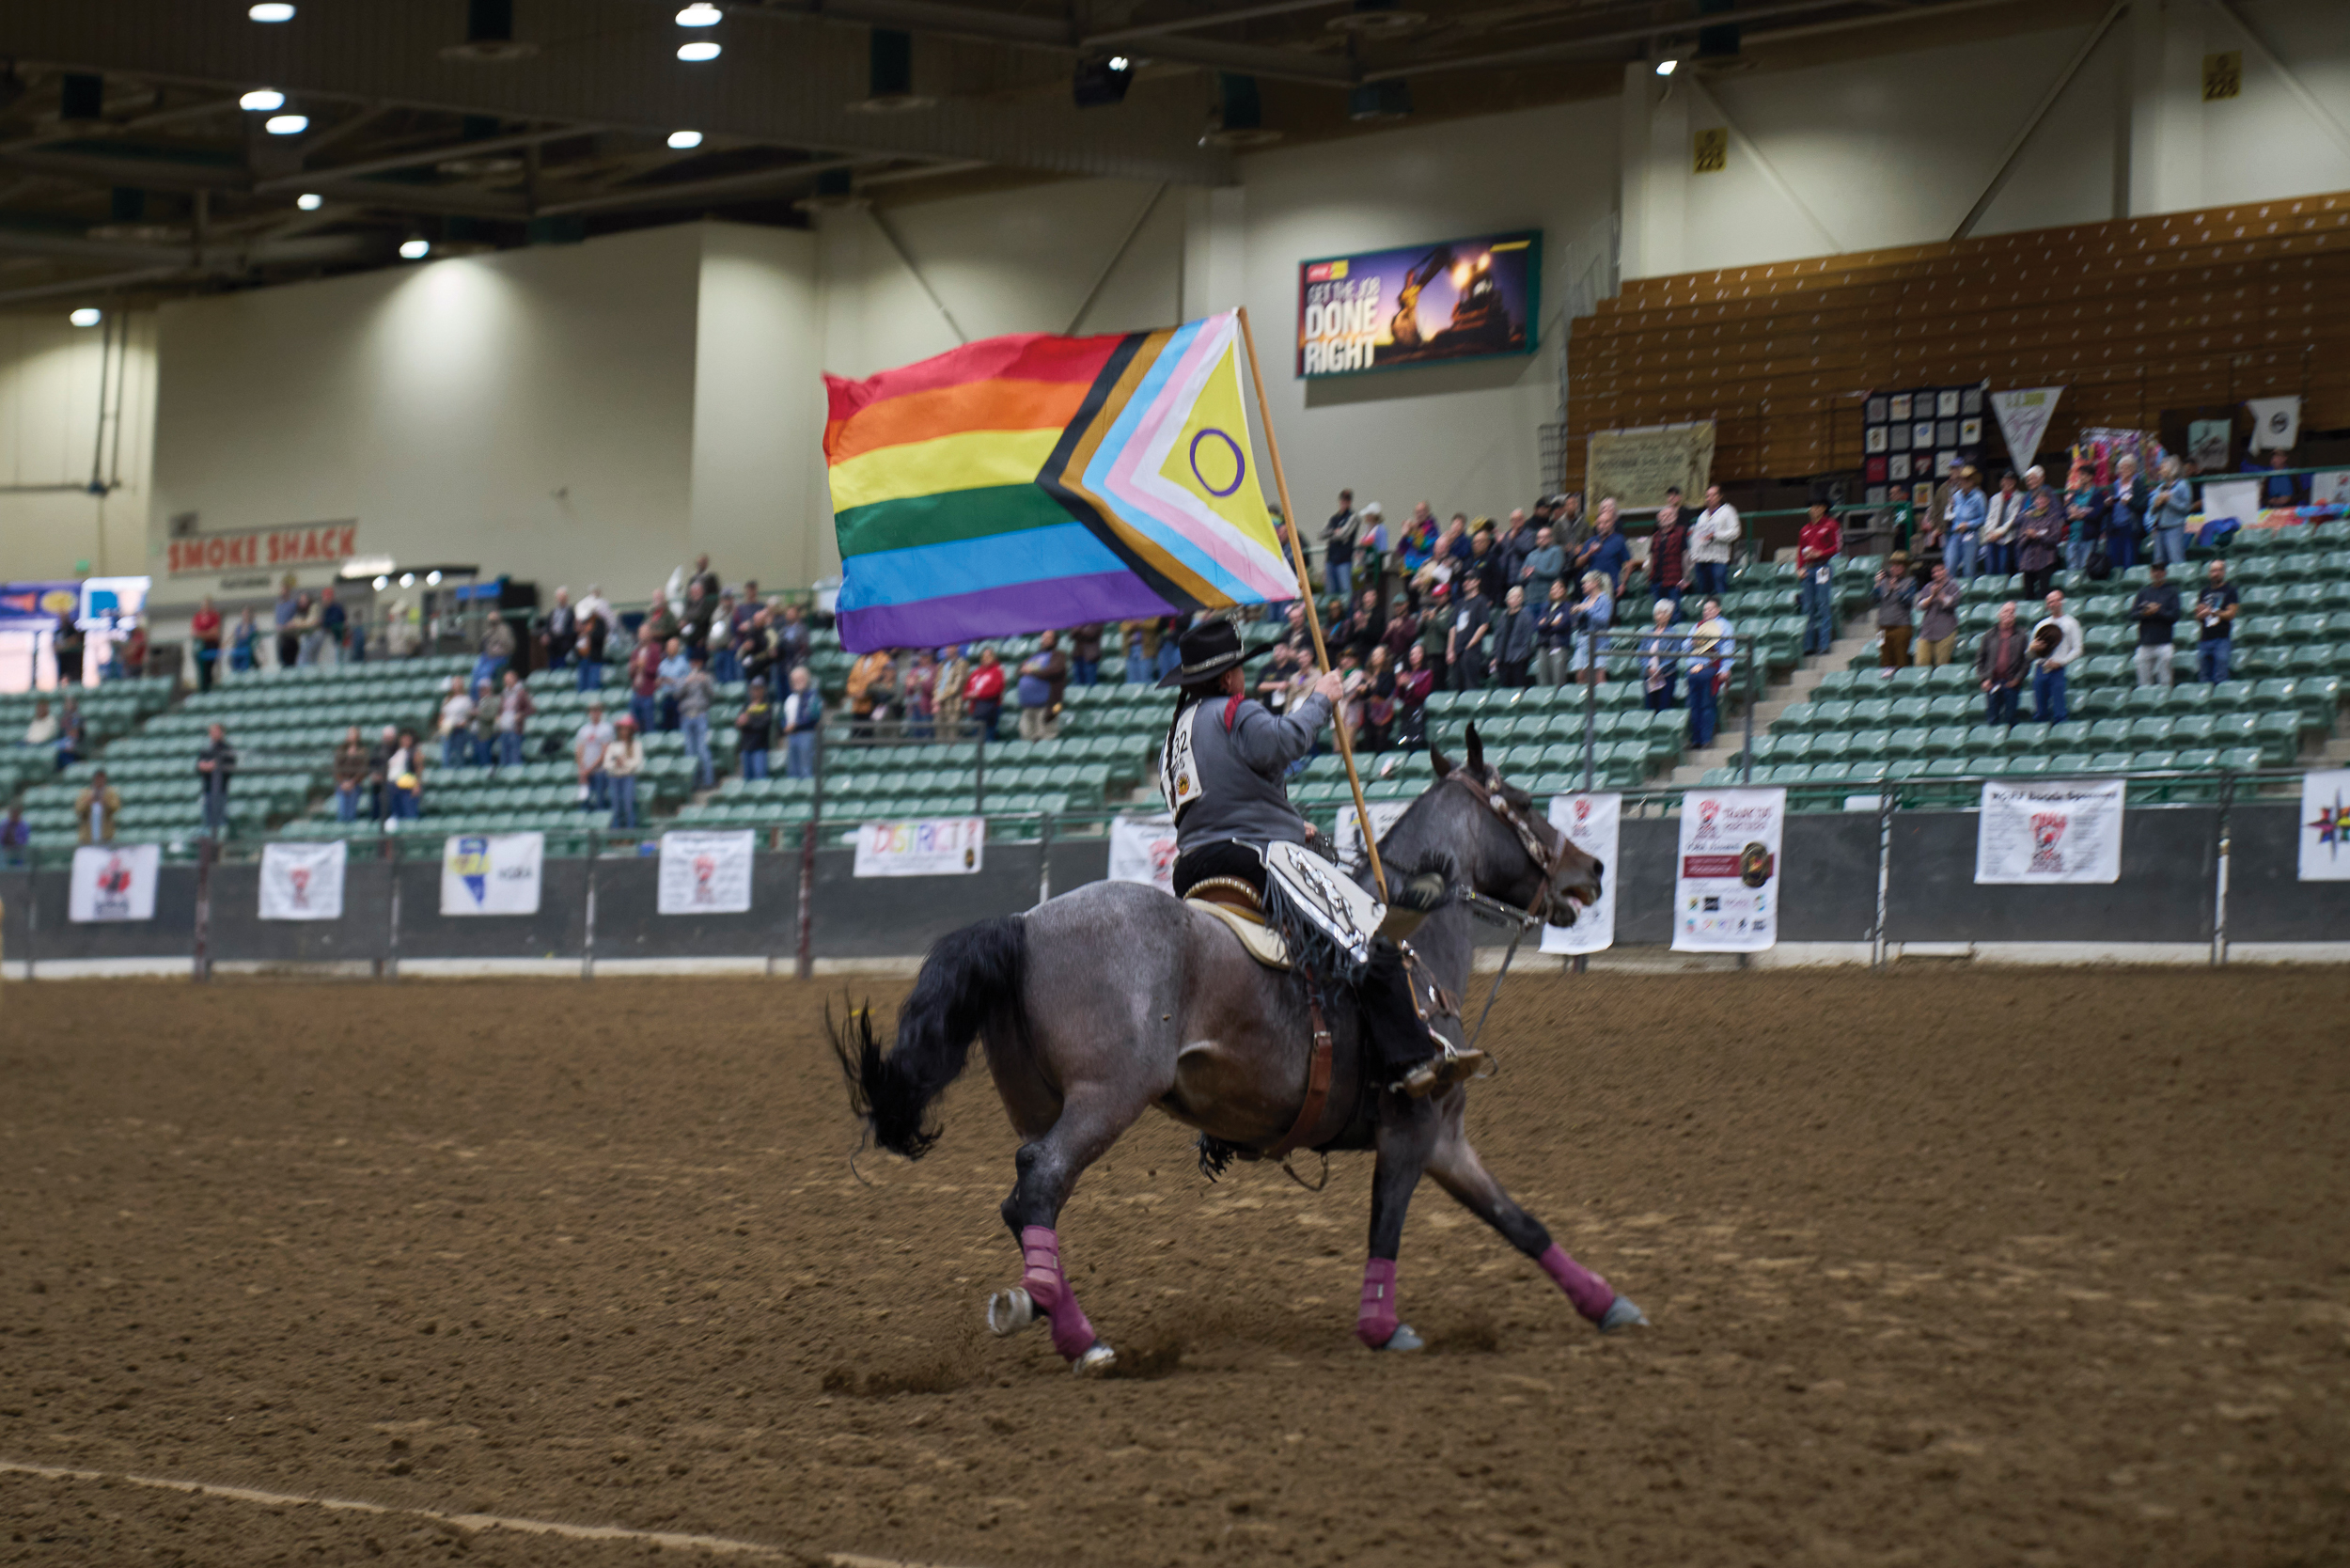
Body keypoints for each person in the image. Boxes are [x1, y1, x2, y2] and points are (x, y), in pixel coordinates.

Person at [1153, 619, 1466, 1100]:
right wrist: (1321, 698)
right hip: (1256, 860)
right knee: (1367, 938)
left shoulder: (1176, 736)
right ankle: (1410, 1060)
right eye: (1238, 668)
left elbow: (1215, 801)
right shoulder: (1236, 711)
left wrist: (1285, 820)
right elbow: (1284, 743)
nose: (1243, 676)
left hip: (1193, 868)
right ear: (1224, 677)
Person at [1685, 598, 1732, 748]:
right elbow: (1685, 644)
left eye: (1711, 609)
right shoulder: (1698, 626)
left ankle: (1706, 738)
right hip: (1694, 669)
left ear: (1718, 610)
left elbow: (1727, 648)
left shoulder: (1724, 625)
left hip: (1710, 668)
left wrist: (1725, 669)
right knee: (1694, 705)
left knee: (1707, 704)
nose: (1708, 612)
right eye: (1705, 609)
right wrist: (1693, 642)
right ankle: (1696, 739)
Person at [1795, 500, 1841, 654]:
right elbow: (1800, 551)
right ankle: (1808, 645)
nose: (1813, 509)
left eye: (1816, 506)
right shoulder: (1805, 529)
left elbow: (1837, 546)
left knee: (1823, 604)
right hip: (1808, 570)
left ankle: (1824, 644)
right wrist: (1799, 569)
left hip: (1823, 567)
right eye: (1811, 507)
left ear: (1823, 508)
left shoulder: (1831, 525)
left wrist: (1820, 553)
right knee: (1807, 607)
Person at [2030, 590, 2083, 724]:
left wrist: (2061, 662)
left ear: (2062, 602)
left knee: (2060, 709)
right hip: (2041, 668)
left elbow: (2078, 649)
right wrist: (2033, 649)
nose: (2053, 604)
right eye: (2049, 602)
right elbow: (2030, 653)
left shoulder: (2071, 623)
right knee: (2040, 709)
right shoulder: (2041, 625)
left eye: (2055, 600)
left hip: (2058, 669)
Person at [1975, 602, 2031, 727]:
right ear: (1999, 614)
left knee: (2011, 718)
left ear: (2015, 615)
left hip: (2011, 683)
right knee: (1992, 718)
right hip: (1992, 683)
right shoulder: (1989, 635)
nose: (2009, 614)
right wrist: (1984, 679)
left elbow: (2026, 661)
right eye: (2006, 611)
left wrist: (2018, 679)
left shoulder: (2022, 635)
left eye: (2012, 612)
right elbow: (1980, 659)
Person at [2131, 563, 2181, 688]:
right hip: (2145, 642)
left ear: (2164, 573)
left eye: (2160, 570)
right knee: (2143, 682)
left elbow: (2175, 616)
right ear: (2151, 573)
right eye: (2154, 571)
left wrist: (2159, 611)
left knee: (2165, 681)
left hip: (2164, 642)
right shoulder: (2144, 592)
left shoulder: (2171, 592)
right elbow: (2132, 614)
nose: (2157, 573)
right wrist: (2146, 612)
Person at [1689, 483, 1739, 601]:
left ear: (1720, 496)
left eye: (1713, 495)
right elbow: (1697, 537)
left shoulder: (1727, 511)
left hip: (1718, 559)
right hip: (1701, 560)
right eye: (1707, 496)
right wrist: (1694, 555)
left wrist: (1715, 536)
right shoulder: (1702, 516)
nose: (1710, 498)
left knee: (1719, 591)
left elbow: (1735, 532)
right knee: (1703, 593)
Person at [1017, 631, 1070, 742]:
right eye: (1043, 637)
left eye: (1048, 637)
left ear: (1054, 640)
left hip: (1048, 705)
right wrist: (1027, 670)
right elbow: (1019, 669)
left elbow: (1054, 671)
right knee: (1026, 736)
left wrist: (1031, 671)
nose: (1044, 639)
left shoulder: (1058, 655)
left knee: (1046, 737)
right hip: (1028, 705)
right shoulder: (1036, 656)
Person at [2194, 558, 2239, 684]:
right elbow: (2198, 616)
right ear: (2209, 573)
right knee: (2204, 677)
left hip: (2222, 639)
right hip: (2205, 639)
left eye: (2219, 570)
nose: (2216, 573)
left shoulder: (2230, 590)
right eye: (2213, 571)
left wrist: (2213, 612)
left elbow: (2231, 614)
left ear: (2224, 572)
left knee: (2221, 676)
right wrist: (2199, 613)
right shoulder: (2204, 592)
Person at [677, 653, 716, 790]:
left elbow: (712, 695)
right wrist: (686, 683)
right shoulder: (683, 678)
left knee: (702, 749)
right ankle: (693, 783)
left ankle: (708, 781)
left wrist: (704, 681)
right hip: (686, 716)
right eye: (692, 663)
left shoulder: (707, 677)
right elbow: (676, 695)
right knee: (689, 751)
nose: (694, 666)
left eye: (697, 663)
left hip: (700, 715)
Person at [1872, 553, 1918, 669]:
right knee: (1884, 660)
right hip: (1882, 628)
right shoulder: (1883, 582)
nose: (1894, 568)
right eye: (1892, 566)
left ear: (1904, 568)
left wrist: (1896, 589)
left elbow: (1908, 601)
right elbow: (1873, 600)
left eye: (1898, 566)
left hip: (1901, 627)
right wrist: (1877, 583)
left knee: (1901, 660)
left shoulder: (1910, 581)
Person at [1449, 574, 1493, 691]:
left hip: (1472, 651)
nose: (1465, 583)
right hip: (1457, 651)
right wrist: (1450, 649)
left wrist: (1469, 645)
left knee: (1470, 686)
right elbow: (1453, 626)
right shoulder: (1459, 603)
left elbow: (1484, 625)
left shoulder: (1481, 600)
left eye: (1469, 580)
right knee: (1456, 686)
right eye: (1464, 580)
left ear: (1477, 582)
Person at [1574, 504, 1632, 596]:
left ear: (1612, 522)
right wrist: (1589, 553)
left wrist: (1623, 584)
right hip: (1592, 588)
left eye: (1606, 522)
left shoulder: (1619, 540)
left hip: (1611, 587)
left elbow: (1628, 564)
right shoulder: (1591, 541)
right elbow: (1578, 564)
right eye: (1599, 523)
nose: (1602, 526)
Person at [2017, 489, 2064, 599]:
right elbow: (2020, 542)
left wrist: (2038, 536)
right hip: (2028, 561)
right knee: (2028, 594)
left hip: (2045, 560)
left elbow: (2054, 539)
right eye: (2038, 499)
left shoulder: (2052, 518)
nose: (2040, 502)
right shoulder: (2028, 518)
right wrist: (2028, 536)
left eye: (2043, 499)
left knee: (2045, 594)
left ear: (2048, 501)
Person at [2148, 457, 2195, 568]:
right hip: (2159, 528)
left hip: (2174, 527)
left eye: (2164, 467)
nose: (2161, 470)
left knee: (2176, 559)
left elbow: (2186, 508)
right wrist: (2156, 504)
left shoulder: (2183, 485)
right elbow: (2151, 511)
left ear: (2172, 468)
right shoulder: (2160, 487)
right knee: (2158, 562)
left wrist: (2169, 500)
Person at [1941, 466, 1985, 580]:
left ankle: (1967, 594)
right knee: (1949, 565)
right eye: (1961, 480)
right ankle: (1951, 592)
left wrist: (1968, 524)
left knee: (1968, 569)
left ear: (1972, 481)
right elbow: (1953, 515)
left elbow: (1983, 518)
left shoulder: (1979, 496)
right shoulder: (1957, 496)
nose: (1963, 482)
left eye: (1966, 480)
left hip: (1971, 534)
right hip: (1955, 534)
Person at [2062, 463, 2107, 576]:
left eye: (2084, 475)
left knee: (2085, 569)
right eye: (2080, 475)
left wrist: (2081, 515)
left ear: (2091, 476)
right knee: (2072, 570)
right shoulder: (2074, 495)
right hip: (2073, 538)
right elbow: (2065, 515)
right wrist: (2071, 515)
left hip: (2088, 538)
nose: (2081, 477)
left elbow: (2097, 514)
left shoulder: (2097, 495)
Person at [1570, 571, 1613, 686]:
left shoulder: (1604, 600)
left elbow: (1604, 619)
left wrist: (1586, 610)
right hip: (1583, 641)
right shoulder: (1586, 600)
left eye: (1585, 583)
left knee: (1599, 677)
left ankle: (1601, 702)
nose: (1583, 586)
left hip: (1598, 642)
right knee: (1581, 677)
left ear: (1595, 583)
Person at [1914, 563, 1962, 666]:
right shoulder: (1928, 587)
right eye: (1934, 572)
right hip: (1927, 631)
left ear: (1946, 571)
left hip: (1945, 631)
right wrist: (1932, 596)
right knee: (1921, 664)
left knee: (1941, 665)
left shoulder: (1953, 586)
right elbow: (1919, 606)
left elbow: (1952, 603)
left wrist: (1939, 594)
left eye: (1940, 570)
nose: (1937, 574)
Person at [1638, 599, 1681, 713]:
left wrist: (1659, 669)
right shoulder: (1647, 633)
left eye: (1662, 613)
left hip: (1666, 675)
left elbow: (1674, 654)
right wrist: (1648, 668)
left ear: (1669, 615)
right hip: (1649, 675)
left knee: (1664, 706)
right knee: (1649, 707)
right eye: (1657, 613)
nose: (1659, 616)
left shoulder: (1674, 633)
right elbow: (1640, 653)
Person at [196, 722, 237, 839]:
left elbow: (222, 765)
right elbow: (200, 765)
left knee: (219, 816)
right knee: (208, 817)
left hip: (220, 789)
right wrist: (209, 766)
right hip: (208, 788)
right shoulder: (207, 748)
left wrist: (211, 765)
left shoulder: (226, 749)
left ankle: (220, 839)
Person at [2107, 453, 2146, 572]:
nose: (2124, 470)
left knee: (2129, 561)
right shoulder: (2115, 485)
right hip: (2115, 527)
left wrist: (2129, 502)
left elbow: (2142, 506)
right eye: (2122, 468)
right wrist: (2108, 503)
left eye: (2128, 467)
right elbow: (2109, 506)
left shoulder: (2138, 484)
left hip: (2130, 527)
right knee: (2115, 561)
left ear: (2134, 469)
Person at [781, 666, 822, 778]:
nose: (797, 682)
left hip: (806, 735)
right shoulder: (790, 699)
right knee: (792, 769)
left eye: (800, 679)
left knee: (806, 768)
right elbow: (784, 717)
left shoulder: (813, 696)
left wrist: (796, 725)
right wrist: (785, 726)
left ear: (806, 679)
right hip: (792, 736)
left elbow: (814, 716)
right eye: (794, 680)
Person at [604, 715, 645, 830]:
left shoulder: (636, 745)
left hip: (628, 776)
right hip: (614, 777)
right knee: (616, 807)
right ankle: (617, 833)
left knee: (628, 805)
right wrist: (616, 763)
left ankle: (630, 831)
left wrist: (624, 762)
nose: (624, 731)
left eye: (626, 728)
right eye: (622, 728)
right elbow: (607, 763)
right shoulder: (613, 745)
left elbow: (637, 763)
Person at [574, 700, 616, 812]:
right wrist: (582, 769)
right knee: (584, 799)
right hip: (585, 771)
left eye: (597, 710)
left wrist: (590, 768)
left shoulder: (606, 728)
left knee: (599, 799)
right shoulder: (583, 730)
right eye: (592, 711)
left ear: (601, 712)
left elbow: (605, 751)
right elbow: (579, 750)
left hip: (600, 771)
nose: (594, 713)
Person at [1493, 585, 1537, 688]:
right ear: (1507, 600)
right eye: (1512, 597)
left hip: (1518, 659)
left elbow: (1527, 638)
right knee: (1504, 689)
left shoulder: (1526, 615)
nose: (1515, 599)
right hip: (1503, 659)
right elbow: (1497, 637)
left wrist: (1523, 655)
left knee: (1518, 688)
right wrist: (1495, 656)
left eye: (1518, 597)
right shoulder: (1502, 616)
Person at [1981, 471, 2024, 579]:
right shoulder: (1995, 498)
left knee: (2003, 568)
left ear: (2015, 482)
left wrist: (1999, 532)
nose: (2007, 482)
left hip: (2009, 538)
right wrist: (1990, 532)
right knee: (1991, 568)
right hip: (1992, 538)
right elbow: (1990, 517)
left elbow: (2013, 519)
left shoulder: (2020, 498)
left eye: (2010, 479)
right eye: (2004, 479)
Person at [847, 646, 896, 738]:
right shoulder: (859, 661)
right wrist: (855, 692)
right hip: (858, 707)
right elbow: (851, 681)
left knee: (871, 738)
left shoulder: (883, 659)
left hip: (874, 706)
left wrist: (866, 691)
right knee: (857, 739)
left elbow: (888, 683)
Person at [494, 666, 537, 771]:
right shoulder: (503, 694)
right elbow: (500, 710)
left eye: (509, 679)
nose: (507, 681)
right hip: (504, 729)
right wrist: (498, 716)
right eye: (505, 679)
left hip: (515, 729)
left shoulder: (521, 693)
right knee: (504, 757)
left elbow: (531, 709)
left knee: (514, 756)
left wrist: (520, 715)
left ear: (515, 679)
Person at [1535, 577, 1574, 687]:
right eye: (1553, 589)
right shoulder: (1546, 607)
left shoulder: (1568, 606)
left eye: (1558, 588)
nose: (1555, 591)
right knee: (1542, 681)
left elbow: (1562, 625)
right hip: (1543, 645)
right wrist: (1551, 623)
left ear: (1564, 590)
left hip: (1559, 645)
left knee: (1558, 680)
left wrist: (1545, 624)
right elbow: (1537, 626)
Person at [1394, 644, 1435, 747]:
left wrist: (1410, 685)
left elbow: (1422, 694)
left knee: (1416, 741)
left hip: (1418, 710)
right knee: (1404, 741)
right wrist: (1400, 685)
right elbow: (1399, 696)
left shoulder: (1427, 673)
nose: (1414, 656)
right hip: (1406, 710)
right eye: (1412, 654)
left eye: (1418, 653)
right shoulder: (1406, 674)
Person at [1322, 489, 1358, 605]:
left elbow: (1344, 534)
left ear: (1350, 502)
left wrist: (1332, 533)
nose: (1344, 502)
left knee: (1346, 592)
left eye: (1347, 500)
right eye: (1343, 500)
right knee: (1330, 593)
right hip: (1331, 560)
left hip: (1344, 561)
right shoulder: (1333, 518)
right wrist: (1335, 532)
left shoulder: (1353, 517)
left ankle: (1347, 618)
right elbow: (1322, 534)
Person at [964, 648, 1007, 741]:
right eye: (984, 656)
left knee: (988, 736)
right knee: (977, 737)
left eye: (989, 656)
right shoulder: (976, 672)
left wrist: (979, 694)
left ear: (993, 657)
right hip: (976, 708)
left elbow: (996, 690)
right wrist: (968, 695)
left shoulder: (997, 671)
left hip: (990, 708)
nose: (986, 658)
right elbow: (967, 687)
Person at [736, 685, 774, 780]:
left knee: (760, 778)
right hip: (746, 747)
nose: (755, 692)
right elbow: (739, 722)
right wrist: (741, 721)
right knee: (747, 779)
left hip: (759, 747)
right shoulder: (746, 706)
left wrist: (749, 721)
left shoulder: (766, 706)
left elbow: (763, 724)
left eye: (758, 690)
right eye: (753, 690)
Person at [74, 768, 120, 845]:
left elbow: (116, 807)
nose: (99, 780)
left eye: (101, 778)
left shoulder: (110, 793)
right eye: (98, 778)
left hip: (106, 835)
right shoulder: (85, 793)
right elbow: (78, 809)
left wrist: (105, 801)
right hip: (87, 836)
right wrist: (89, 800)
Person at [438, 676, 477, 769]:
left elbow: (469, 717)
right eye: (455, 683)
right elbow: (442, 715)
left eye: (458, 683)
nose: (456, 685)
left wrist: (460, 724)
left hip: (459, 731)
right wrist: (441, 723)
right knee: (446, 754)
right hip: (447, 731)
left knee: (458, 755)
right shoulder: (447, 700)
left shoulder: (466, 699)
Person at [332, 726, 369, 822]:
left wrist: (352, 781)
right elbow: (337, 767)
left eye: (353, 734)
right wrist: (343, 782)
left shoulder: (362, 750)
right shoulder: (341, 749)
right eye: (349, 734)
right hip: (342, 784)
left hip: (355, 784)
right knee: (342, 811)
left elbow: (363, 769)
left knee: (351, 812)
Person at [385, 729, 423, 823]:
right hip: (393, 786)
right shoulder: (395, 751)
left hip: (407, 786)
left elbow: (418, 769)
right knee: (397, 813)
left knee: (409, 812)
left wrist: (417, 785)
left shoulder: (414, 752)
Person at [656, 635, 692, 731]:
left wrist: (672, 681)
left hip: (679, 699)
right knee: (667, 727)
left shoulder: (683, 663)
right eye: (669, 646)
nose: (670, 649)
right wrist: (659, 682)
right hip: (666, 698)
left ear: (677, 648)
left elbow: (688, 681)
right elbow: (659, 681)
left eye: (673, 646)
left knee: (678, 727)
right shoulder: (662, 664)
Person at [473, 612, 516, 692]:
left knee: (485, 672)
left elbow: (510, 647)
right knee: (475, 671)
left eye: (494, 619)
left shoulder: (504, 630)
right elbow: (482, 644)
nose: (492, 621)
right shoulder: (489, 630)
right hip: (487, 657)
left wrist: (498, 649)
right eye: (490, 620)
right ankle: (475, 698)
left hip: (500, 658)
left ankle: (485, 695)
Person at [540, 587, 578, 673]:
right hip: (553, 646)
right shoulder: (552, 612)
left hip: (564, 646)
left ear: (566, 598)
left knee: (563, 670)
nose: (560, 599)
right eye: (559, 597)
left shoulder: (571, 612)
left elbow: (572, 630)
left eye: (562, 597)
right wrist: (546, 635)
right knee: (552, 669)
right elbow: (547, 626)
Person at [933, 645, 970, 737]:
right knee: (939, 734)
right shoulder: (942, 664)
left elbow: (957, 687)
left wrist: (939, 697)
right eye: (946, 648)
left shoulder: (962, 664)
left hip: (954, 705)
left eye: (950, 647)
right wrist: (935, 698)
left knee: (952, 735)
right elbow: (937, 683)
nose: (947, 650)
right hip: (940, 705)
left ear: (956, 648)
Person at [190, 596, 223, 692]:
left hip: (211, 647)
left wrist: (201, 634)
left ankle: (208, 690)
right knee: (201, 672)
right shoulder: (197, 617)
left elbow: (215, 633)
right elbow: (194, 633)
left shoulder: (214, 616)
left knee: (208, 671)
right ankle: (202, 690)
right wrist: (207, 634)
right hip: (199, 647)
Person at [274, 579, 302, 669]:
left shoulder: (293, 604)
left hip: (290, 636)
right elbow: (278, 620)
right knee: (282, 660)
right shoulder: (278, 605)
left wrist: (290, 624)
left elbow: (297, 618)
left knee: (291, 660)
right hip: (281, 636)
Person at [1069, 623, 1104, 687]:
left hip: (1090, 657)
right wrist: (1079, 630)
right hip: (1078, 656)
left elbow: (1091, 634)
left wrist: (1078, 629)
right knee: (1077, 682)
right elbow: (1071, 635)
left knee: (1090, 683)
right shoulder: (1079, 621)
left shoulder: (1096, 621)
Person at [227, 607, 258, 676]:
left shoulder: (253, 626)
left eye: (247, 614)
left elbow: (255, 639)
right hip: (238, 650)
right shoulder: (239, 626)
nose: (245, 615)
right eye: (244, 614)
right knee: (235, 667)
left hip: (247, 650)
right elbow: (233, 636)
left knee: (244, 670)